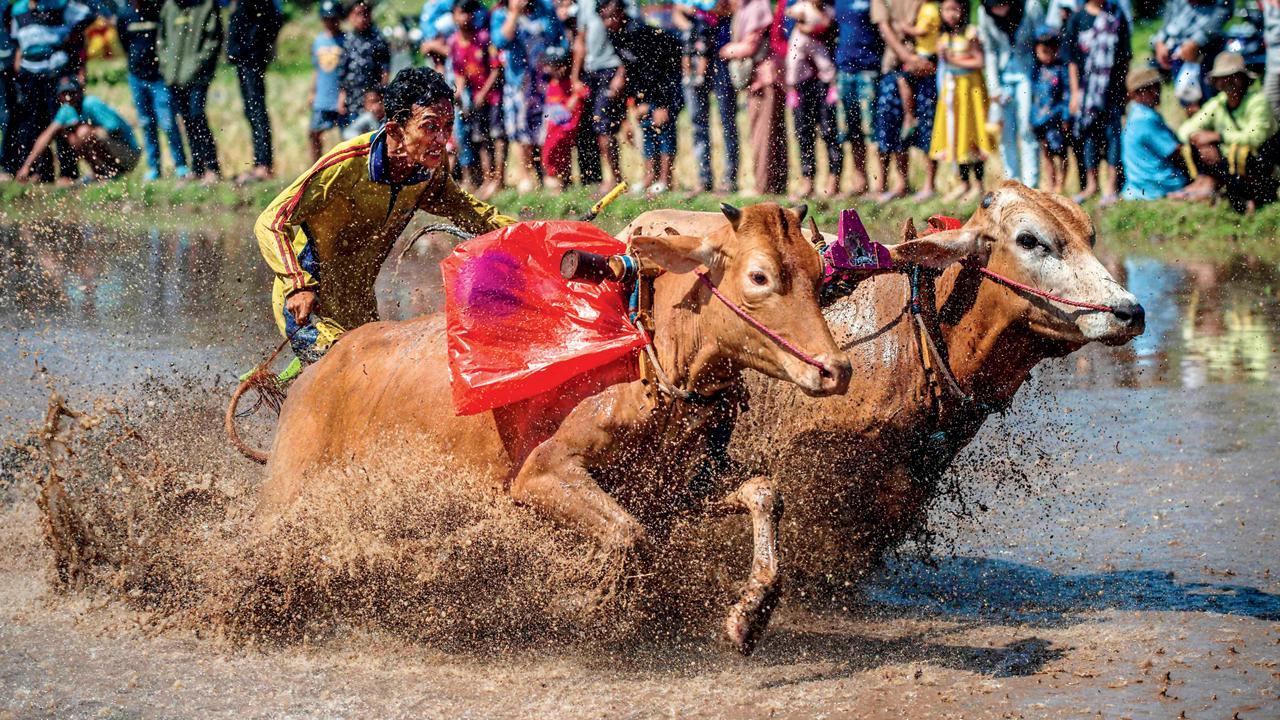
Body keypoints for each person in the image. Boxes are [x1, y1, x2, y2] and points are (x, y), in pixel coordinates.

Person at [255, 67, 515, 366]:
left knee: (377, 381)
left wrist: (531, 235)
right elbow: (272, 221)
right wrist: (298, 284)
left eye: (448, 125)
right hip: (308, 303)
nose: (442, 139)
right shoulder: (347, 163)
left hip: (358, 302)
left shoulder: (428, 170)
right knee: (348, 376)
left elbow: (473, 213)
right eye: (430, 127)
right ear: (395, 131)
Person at [1175, 52, 1280, 212]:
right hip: (1230, 163)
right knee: (1196, 146)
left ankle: (1252, 197)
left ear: (1244, 79)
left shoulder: (1258, 102)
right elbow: (1185, 130)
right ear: (1216, 83)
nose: (1228, 82)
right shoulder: (1218, 104)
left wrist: (1218, 136)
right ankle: (1211, 186)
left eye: (1233, 76)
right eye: (1223, 77)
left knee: (1241, 152)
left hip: (1260, 162)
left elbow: (1255, 137)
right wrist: (1199, 138)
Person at [599, 0, 683, 194]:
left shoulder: (638, 32)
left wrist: (662, 104)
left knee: (663, 127)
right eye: (603, 18)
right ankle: (649, 177)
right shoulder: (614, 34)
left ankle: (665, 180)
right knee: (646, 126)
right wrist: (636, 102)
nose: (606, 22)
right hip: (646, 84)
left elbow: (658, 68)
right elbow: (632, 69)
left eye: (610, 17)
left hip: (669, 78)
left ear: (621, 13)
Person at [8, 0, 94, 183]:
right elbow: (17, 40)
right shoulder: (18, 9)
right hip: (29, 72)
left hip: (56, 71)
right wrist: (18, 60)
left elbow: (87, 17)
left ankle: (67, 172)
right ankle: (42, 172)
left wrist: (78, 61)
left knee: (63, 121)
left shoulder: (60, 4)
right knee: (33, 124)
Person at [1063, 0, 1131, 206]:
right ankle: (1092, 186)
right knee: (1089, 136)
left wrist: (1124, 88)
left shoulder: (1116, 14)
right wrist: (1075, 93)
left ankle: (1110, 186)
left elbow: (1125, 56)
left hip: (1112, 90)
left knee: (1113, 136)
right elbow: (1072, 61)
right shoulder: (1077, 18)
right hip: (1086, 93)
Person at [871, 0, 940, 200]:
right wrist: (908, 58)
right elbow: (885, 27)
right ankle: (901, 182)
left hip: (927, 64)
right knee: (892, 125)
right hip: (895, 64)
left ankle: (929, 185)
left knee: (929, 124)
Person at [113, 0, 188, 181]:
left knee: (168, 121)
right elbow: (124, 44)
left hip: (159, 77)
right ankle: (154, 168)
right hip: (136, 77)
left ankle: (181, 165)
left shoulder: (159, 11)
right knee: (146, 123)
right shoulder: (124, 15)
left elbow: (168, 39)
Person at [493, 0, 562, 192]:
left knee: (545, 128)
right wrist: (514, 13)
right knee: (522, 129)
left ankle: (548, 173)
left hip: (545, 81)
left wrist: (556, 59)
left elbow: (559, 38)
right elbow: (500, 41)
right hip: (518, 82)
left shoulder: (545, 7)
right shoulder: (501, 14)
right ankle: (526, 175)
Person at [16, 78, 140, 182]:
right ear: (59, 96)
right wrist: (26, 167)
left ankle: (113, 172)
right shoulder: (66, 110)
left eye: (71, 92)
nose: (68, 97)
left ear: (79, 92)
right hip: (113, 152)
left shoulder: (91, 103)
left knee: (83, 132)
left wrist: (84, 127)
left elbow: (115, 129)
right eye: (64, 93)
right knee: (73, 136)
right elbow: (46, 136)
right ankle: (100, 173)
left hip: (128, 154)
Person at [721, 0, 786, 196]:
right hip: (757, 81)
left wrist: (726, 50)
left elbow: (750, 46)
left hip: (764, 80)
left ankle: (763, 186)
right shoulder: (746, 7)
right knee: (766, 134)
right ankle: (772, 186)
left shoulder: (759, 6)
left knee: (763, 136)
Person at [928, 0, 990, 202]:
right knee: (955, 136)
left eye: (955, 9)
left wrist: (953, 60)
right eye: (947, 9)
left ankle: (978, 185)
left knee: (972, 135)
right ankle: (963, 183)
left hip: (970, 89)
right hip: (952, 91)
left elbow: (979, 61)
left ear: (963, 10)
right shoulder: (944, 37)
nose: (951, 14)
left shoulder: (971, 33)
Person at [978, 0, 1044, 188]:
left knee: (1026, 129)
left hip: (1027, 75)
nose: (998, 9)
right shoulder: (985, 13)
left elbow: (1041, 40)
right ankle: (1013, 182)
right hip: (1002, 78)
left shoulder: (1031, 6)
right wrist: (993, 88)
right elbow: (990, 50)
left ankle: (1031, 184)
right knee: (1006, 133)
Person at [675, 0, 739, 194]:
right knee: (697, 121)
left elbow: (733, 7)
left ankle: (730, 179)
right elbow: (677, 12)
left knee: (727, 121)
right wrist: (692, 24)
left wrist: (709, 12)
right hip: (693, 53)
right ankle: (704, 179)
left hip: (721, 57)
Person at [158, 0, 223, 183]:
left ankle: (212, 168)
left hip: (198, 76)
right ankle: (197, 167)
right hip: (174, 76)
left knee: (197, 116)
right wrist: (166, 66)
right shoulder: (169, 7)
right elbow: (161, 40)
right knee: (186, 120)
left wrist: (197, 64)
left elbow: (213, 40)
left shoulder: (206, 6)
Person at [786, 0, 841, 199]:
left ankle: (833, 179)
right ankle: (807, 179)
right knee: (804, 131)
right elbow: (787, 16)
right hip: (802, 79)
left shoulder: (830, 8)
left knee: (828, 130)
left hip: (823, 79)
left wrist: (812, 27)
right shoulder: (799, 5)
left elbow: (829, 27)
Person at [226, 0, 284, 184]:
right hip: (244, 59)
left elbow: (274, 21)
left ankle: (263, 166)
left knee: (257, 111)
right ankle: (260, 163)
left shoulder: (262, 5)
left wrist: (254, 47)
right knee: (251, 111)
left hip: (252, 59)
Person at [448, 0, 502, 194]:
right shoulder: (454, 42)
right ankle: (482, 180)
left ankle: (497, 180)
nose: (465, 17)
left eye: (468, 13)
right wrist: (459, 93)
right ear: (454, 15)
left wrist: (483, 93)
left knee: (495, 138)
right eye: (461, 13)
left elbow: (496, 69)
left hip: (492, 96)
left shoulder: (484, 37)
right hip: (473, 98)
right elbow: (460, 73)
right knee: (478, 139)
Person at [572, 0, 626, 192]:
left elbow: (629, 40)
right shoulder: (586, 4)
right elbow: (581, 40)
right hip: (590, 72)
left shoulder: (620, 3)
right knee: (593, 127)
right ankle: (600, 177)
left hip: (611, 69)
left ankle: (616, 178)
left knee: (605, 127)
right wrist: (575, 76)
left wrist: (622, 72)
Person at [833, 0, 883, 197]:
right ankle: (859, 181)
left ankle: (879, 183)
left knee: (872, 129)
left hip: (868, 69)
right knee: (850, 130)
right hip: (845, 70)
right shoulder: (837, 2)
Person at [1120, 66, 1190, 200]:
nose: (1156, 92)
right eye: (1149, 89)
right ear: (1136, 94)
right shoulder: (1146, 119)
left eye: (1157, 86)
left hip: (1137, 186)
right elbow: (1174, 152)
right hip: (1156, 186)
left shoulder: (1135, 114)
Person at [1151, 0, 1232, 114]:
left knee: (1212, 105)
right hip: (1178, 50)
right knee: (1188, 105)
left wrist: (1197, 41)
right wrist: (1160, 42)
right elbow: (1170, 12)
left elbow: (1224, 9)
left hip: (1208, 48)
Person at [540, 45, 587, 189]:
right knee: (549, 155)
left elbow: (584, 92)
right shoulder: (551, 84)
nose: (548, 69)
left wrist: (576, 96)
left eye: (553, 65)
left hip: (565, 130)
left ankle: (562, 184)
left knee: (561, 156)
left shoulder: (571, 84)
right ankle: (557, 184)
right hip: (551, 130)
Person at [1030, 27, 1070, 193]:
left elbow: (1067, 94)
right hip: (1040, 120)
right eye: (1042, 52)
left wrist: (1066, 116)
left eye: (1050, 51)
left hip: (1056, 118)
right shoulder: (1036, 71)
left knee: (1060, 153)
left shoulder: (1061, 69)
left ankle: (1061, 183)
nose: (1046, 55)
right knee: (1045, 152)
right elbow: (1033, 96)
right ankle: (1050, 182)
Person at [340, 0, 391, 126]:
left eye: (365, 14)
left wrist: (380, 98)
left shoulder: (377, 39)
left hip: (372, 98)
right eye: (357, 14)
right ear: (350, 16)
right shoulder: (348, 40)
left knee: (372, 136)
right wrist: (341, 97)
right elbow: (343, 70)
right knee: (352, 137)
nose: (361, 18)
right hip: (352, 100)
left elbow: (385, 70)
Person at [308, 0, 347, 163]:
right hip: (322, 97)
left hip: (339, 97)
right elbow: (317, 70)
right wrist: (312, 91)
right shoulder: (318, 41)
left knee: (345, 137)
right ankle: (315, 167)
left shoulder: (346, 41)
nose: (330, 22)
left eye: (333, 18)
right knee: (313, 133)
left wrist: (343, 95)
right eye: (326, 18)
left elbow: (348, 73)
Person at [895, 0, 938, 141]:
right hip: (924, 53)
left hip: (926, 55)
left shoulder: (930, 9)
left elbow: (922, 31)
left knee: (903, 78)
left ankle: (910, 116)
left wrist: (905, 29)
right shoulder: (926, 7)